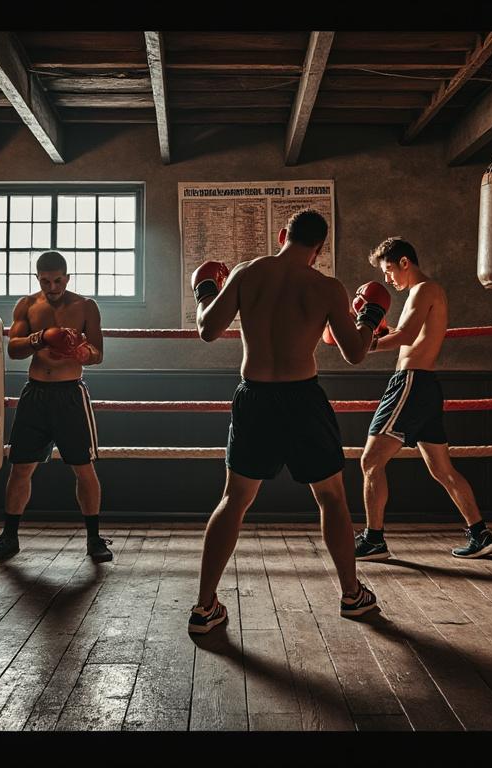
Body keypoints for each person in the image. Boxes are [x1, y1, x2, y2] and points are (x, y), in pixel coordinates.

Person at [187, 208, 386, 634]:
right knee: (331, 498)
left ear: (282, 236)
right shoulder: (326, 287)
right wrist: (370, 317)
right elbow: (355, 352)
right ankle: (352, 595)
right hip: (303, 401)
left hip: (255, 398)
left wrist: (205, 290)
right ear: (319, 249)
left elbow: (207, 328)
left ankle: (204, 608)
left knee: (233, 499)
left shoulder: (246, 273)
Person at [353, 237, 492, 562]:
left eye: (389, 270)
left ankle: (374, 539)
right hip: (424, 387)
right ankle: (480, 533)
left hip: (411, 384)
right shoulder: (423, 293)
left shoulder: (423, 290)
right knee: (442, 470)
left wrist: (364, 344)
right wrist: (380, 331)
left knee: (370, 461)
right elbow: (409, 335)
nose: (387, 279)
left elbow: (406, 336)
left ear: (405, 262)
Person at [0, 250, 112, 564]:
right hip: (36, 394)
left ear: (67, 278)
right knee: (20, 468)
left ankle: (94, 539)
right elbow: (13, 349)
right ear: (37, 278)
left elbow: (98, 352)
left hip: (70, 396)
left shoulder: (86, 306)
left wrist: (84, 353)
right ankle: (9, 537)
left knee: (84, 468)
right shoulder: (27, 305)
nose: (52, 287)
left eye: (57, 281)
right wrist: (41, 338)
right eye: (45, 281)